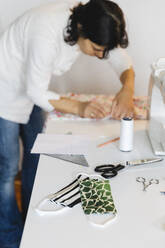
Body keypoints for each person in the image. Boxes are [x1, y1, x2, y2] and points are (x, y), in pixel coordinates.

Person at [0, 0, 135, 247]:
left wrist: (127, 88)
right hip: (4, 86)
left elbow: (119, 59)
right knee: (7, 169)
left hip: (30, 87)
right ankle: (9, 237)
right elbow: (36, 90)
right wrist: (79, 108)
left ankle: (32, 222)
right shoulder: (46, 32)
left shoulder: (95, 21)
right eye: (96, 49)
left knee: (37, 157)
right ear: (81, 28)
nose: (101, 56)